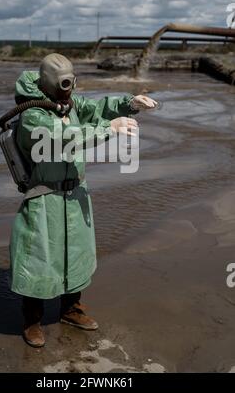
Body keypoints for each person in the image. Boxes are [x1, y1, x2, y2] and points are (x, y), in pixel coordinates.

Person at [10, 53, 157, 347]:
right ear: (46, 84)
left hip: (75, 193)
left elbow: (98, 107)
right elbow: (61, 136)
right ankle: (32, 319)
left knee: (76, 253)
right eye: (62, 86)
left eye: (71, 85)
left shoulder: (70, 104)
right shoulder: (32, 115)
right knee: (40, 256)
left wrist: (130, 102)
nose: (68, 92)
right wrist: (108, 129)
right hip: (45, 197)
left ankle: (70, 309)